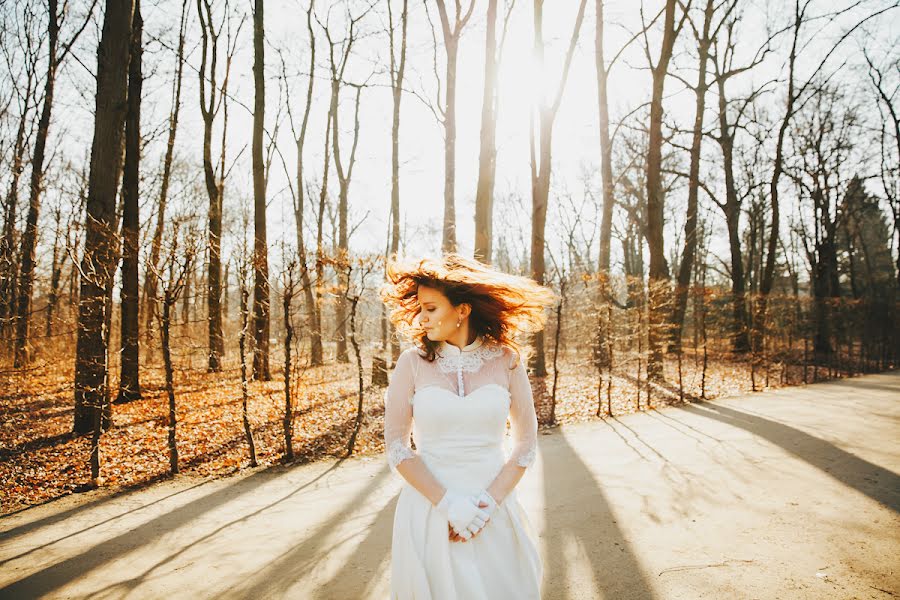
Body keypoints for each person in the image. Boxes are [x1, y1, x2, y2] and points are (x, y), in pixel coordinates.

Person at [379, 252, 557, 599]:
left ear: (462, 310)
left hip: (492, 508)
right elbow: (397, 446)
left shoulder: (507, 360)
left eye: (431, 308)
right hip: (430, 512)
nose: (422, 318)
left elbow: (525, 445)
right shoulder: (411, 363)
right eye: (420, 309)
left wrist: (484, 507)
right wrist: (449, 505)